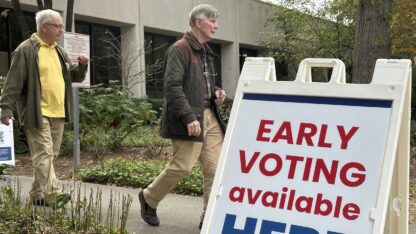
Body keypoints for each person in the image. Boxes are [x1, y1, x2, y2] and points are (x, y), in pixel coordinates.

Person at [138, 4, 226, 229]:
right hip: (190, 117)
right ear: (198, 22)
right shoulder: (180, 49)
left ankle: (209, 216)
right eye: (212, 21)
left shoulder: (207, 50)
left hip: (210, 116)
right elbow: (172, 86)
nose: (216, 26)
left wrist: (216, 91)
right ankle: (149, 198)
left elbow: (201, 82)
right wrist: (188, 117)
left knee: (215, 169)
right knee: (182, 166)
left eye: (217, 21)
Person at [0, 9, 89, 207]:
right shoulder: (26, 50)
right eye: (58, 26)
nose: (61, 30)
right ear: (44, 27)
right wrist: (6, 108)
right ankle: (53, 194)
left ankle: (37, 195)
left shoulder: (59, 50)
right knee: (44, 154)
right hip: (36, 111)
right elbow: (13, 82)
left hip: (58, 111)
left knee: (50, 155)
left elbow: (73, 77)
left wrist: (81, 66)